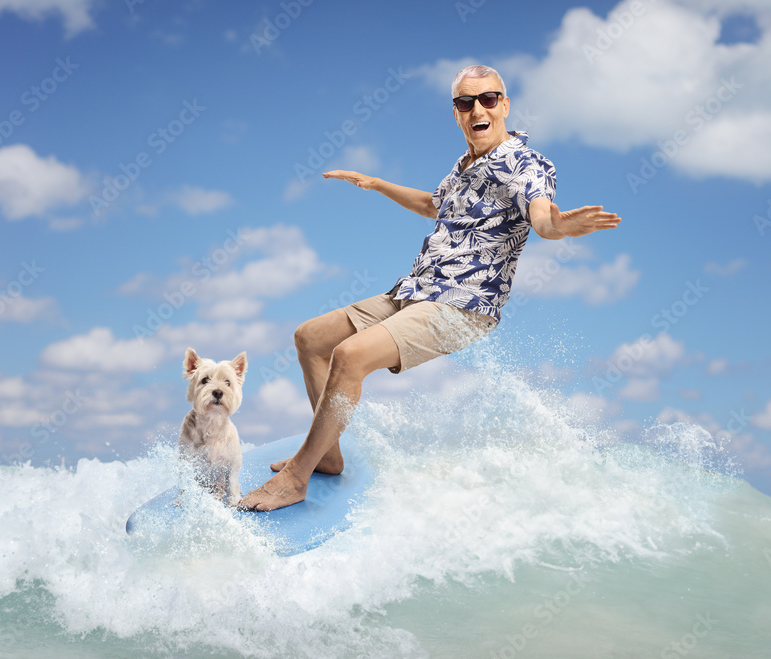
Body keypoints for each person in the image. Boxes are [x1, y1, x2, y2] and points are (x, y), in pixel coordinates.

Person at [239, 65, 620, 511]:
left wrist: (560, 226)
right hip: (417, 290)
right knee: (312, 337)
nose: (477, 109)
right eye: (465, 102)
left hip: (462, 305)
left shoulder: (526, 164)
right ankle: (327, 456)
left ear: (505, 105)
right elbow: (433, 205)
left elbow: (543, 217)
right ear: (456, 113)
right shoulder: (464, 166)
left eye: (488, 99)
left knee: (351, 355)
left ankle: (296, 479)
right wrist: (376, 183)